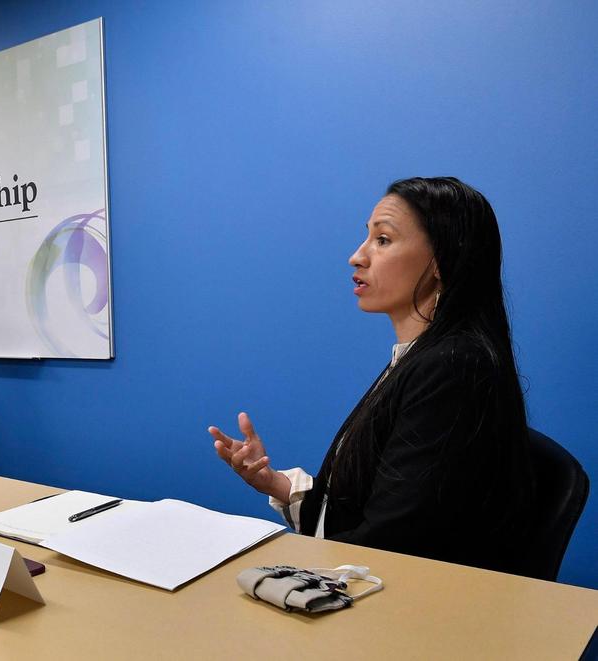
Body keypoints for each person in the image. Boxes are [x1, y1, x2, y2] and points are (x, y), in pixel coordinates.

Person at [209, 177, 532, 573]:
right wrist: (274, 483)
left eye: (383, 240)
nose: (357, 256)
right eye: (368, 237)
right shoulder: (422, 359)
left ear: (441, 260)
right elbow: (368, 512)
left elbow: (389, 545)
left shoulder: (453, 367)